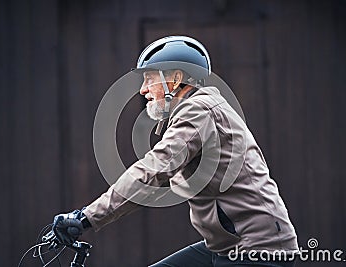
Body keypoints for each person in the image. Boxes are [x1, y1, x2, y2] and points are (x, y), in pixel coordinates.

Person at [52, 36, 299, 267]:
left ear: (175, 78)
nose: (143, 90)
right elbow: (152, 186)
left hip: (256, 251)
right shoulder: (198, 110)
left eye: (149, 79)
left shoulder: (199, 111)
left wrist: (85, 217)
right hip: (226, 247)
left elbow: (154, 170)